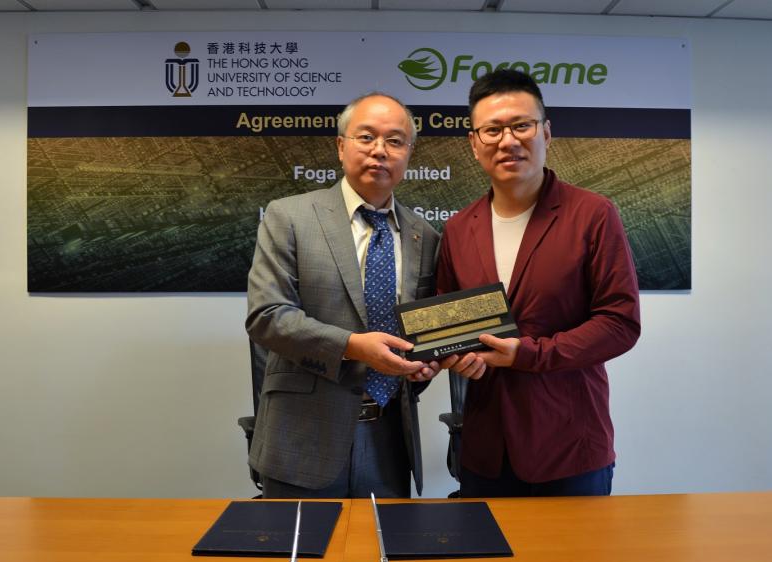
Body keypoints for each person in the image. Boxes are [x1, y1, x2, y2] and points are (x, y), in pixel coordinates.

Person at [437, 69, 641, 497]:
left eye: (521, 126)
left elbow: (620, 323)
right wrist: (456, 356)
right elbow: (448, 325)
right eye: (491, 129)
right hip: (485, 451)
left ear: (546, 133)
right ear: (474, 144)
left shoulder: (592, 215)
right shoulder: (458, 228)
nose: (507, 140)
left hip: (568, 447)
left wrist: (528, 354)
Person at [246, 93, 441, 498]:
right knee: (301, 559)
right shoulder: (289, 217)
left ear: (409, 152)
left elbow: (418, 331)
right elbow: (267, 316)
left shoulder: (426, 236)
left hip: (391, 441)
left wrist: (422, 364)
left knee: (384, 558)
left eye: (394, 141)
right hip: (301, 437)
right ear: (340, 146)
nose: (379, 151)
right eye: (366, 137)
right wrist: (354, 347)